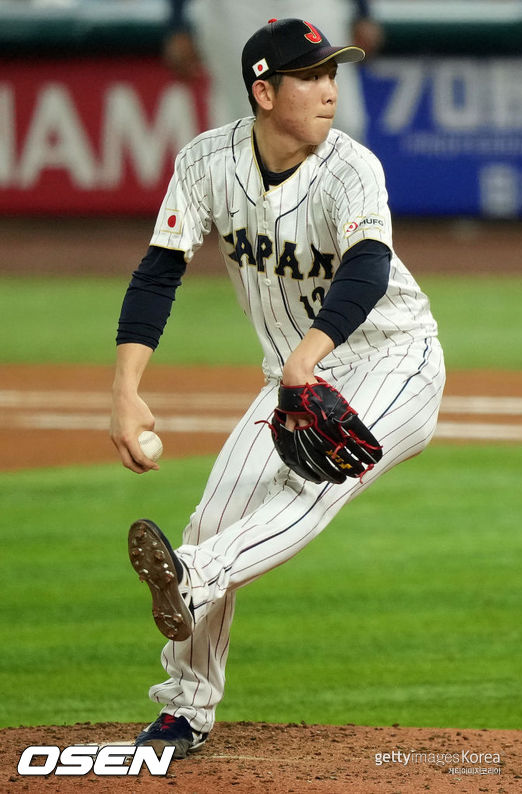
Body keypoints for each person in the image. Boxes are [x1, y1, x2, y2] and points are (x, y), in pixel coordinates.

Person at [110, 17, 445, 758]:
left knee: (314, 486)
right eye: (313, 76)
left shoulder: (351, 167)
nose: (331, 89)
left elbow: (366, 268)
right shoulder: (205, 163)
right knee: (209, 516)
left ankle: (193, 579)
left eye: (334, 73)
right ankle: (186, 709)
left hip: (396, 362)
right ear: (264, 91)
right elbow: (159, 272)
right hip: (297, 375)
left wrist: (308, 356)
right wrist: (125, 389)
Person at [164, 0, 384, 141]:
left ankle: (339, 211)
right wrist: (177, 23)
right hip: (236, 10)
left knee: (337, 122)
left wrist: (363, 11)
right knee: (247, 124)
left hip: (316, 6)